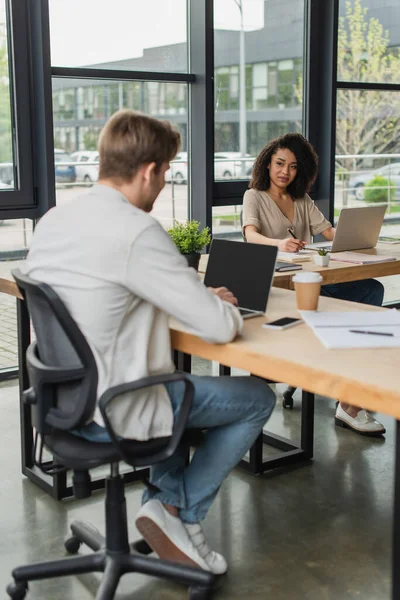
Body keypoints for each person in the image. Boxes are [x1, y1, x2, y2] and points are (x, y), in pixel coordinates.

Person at [22, 109, 276, 575]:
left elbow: (105, 293)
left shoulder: (54, 219)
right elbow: (221, 327)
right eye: (165, 174)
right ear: (148, 171)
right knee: (257, 397)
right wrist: (207, 299)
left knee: (174, 380)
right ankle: (178, 510)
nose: (163, 188)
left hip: (62, 403)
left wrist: (179, 295)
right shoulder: (137, 231)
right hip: (115, 408)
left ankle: (165, 505)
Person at [242, 132, 385, 437]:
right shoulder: (254, 196)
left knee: (372, 290)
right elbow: (250, 235)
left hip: (314, 281)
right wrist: (279, 243)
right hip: (282, 287)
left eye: (293, 167)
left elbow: (328, 231)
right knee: (347, 311)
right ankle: (349, 391)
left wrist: (362, 238)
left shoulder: (301, 199)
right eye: (280, 163)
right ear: (267, 164)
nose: (285, 172)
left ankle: (349, 385)